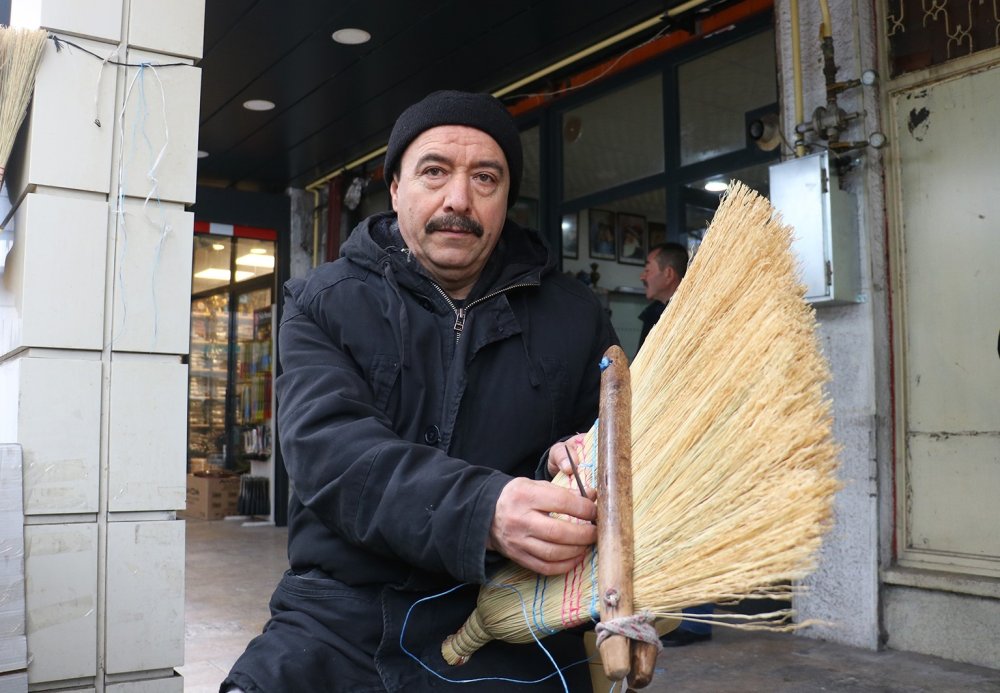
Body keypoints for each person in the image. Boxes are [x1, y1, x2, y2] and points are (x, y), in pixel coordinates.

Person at [221, 90, 618, 692]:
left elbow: (610, 450)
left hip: (515, 614)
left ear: (506, 198)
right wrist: (482, 511)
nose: (458, 199)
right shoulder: (321, 302)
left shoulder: (576, 316)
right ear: (396, 188)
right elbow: (329, 451)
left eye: (485, 177)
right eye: (435, 172)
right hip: (340, 615)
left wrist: (570, 466)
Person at [636, 241, 713, 647]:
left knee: (688, 524)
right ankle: (670, 612)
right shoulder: (657, 317)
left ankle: (696, 621)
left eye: (648, 265)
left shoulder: (690, 318)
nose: (643, 274)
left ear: (669, 274)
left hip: (687, 436)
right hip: (662, 434)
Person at [636, 242, 688, 350]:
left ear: (668, 274)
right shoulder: (652, 315)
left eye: (647, 270)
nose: (642, 277)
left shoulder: (689, 315)